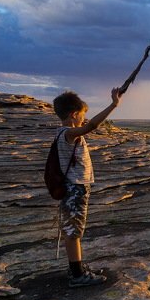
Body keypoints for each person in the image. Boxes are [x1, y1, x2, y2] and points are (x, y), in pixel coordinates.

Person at [52, 87, 121, 287]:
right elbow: (92, 125)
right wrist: (113, 105)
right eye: (82, 115)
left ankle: (76, 267)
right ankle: (77, 275)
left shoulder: (64, 133)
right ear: (74, 115)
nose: (84, 118)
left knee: (74, 230)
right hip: (74, 189)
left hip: (74, 188)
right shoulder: (68, 133)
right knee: (74, 232)